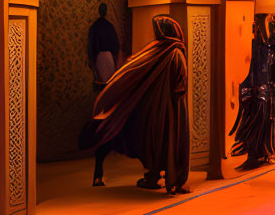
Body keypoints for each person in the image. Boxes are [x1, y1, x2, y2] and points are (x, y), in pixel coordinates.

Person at [79, 14, 191, 195]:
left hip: (169, 109)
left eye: (159, 31)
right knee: (160, 141)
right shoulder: (165, 52)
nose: (156, 35)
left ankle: (170, 179)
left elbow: (172, 84)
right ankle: (157, 177)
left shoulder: (170, 53)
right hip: (163, 108)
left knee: (168, 140)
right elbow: (136, 70)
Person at [230, 17, 275, 169]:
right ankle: (257, 154)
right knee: (255, 124)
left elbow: (271, 70)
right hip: (256, 90)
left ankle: (258, 154)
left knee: (261, 123)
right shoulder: (258, 47)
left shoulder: (265, 47)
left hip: (263, 90)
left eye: (255, 29)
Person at [87, 3, 121, 94]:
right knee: (108, 86)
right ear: (106, 12)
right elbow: (116, 45)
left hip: (99, 58)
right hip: (109, 57)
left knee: (101, 85)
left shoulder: (94, 27)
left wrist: (92, 62)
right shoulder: (110, 26)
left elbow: (91, 45)